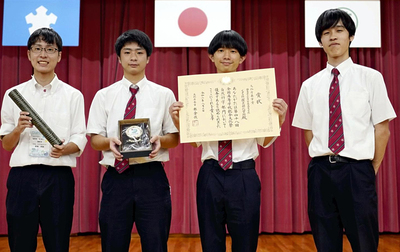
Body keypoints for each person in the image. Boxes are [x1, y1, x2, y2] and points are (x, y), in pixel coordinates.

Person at [169, 30, 288, 252]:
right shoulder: (198, 92)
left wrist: (277, 120)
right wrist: (178, 121)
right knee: (211, 240)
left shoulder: (255, 91)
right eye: (221, 50)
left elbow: (264, 141)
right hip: (211, 174)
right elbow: (194, 142)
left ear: (242, 58)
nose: (227, 55)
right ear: (211, 56)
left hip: (244, 175)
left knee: (245, 241)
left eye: (233, 51)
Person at [292, 9, 396, 252]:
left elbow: (382, 128)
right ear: (320, 42)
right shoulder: (309, 85)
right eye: (326, 33)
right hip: (320, 172)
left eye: (339, 30)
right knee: (325, 239)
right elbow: (308, 131)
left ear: (351, 36)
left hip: (357, 170)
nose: (333, 37)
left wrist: (371, 167)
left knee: (364, 240)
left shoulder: (371, 77)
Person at [86, 29, 179, 252]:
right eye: (127, 52)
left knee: (156, 243)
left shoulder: (164, 94)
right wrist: (108, 142)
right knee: (113, 244)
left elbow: (175, 138)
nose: (133, 57)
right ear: (119, 58)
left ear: (148, 57)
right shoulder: (104, 95)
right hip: (116, 178)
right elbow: (94, 139)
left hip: (152, 176)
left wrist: (161, 141)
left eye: (139, 52)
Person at [0, 28, 87, 252]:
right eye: (37, 49)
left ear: (59, 56)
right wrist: (18, 129)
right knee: (20, 242)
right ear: (28, 54)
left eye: (50, 49)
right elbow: (7, 144)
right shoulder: (13, 94)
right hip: (22, 177)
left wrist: (67, 148)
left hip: (58, 177)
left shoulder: (73, 95)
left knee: (58, 242)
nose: (43, 55)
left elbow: (80, 134)